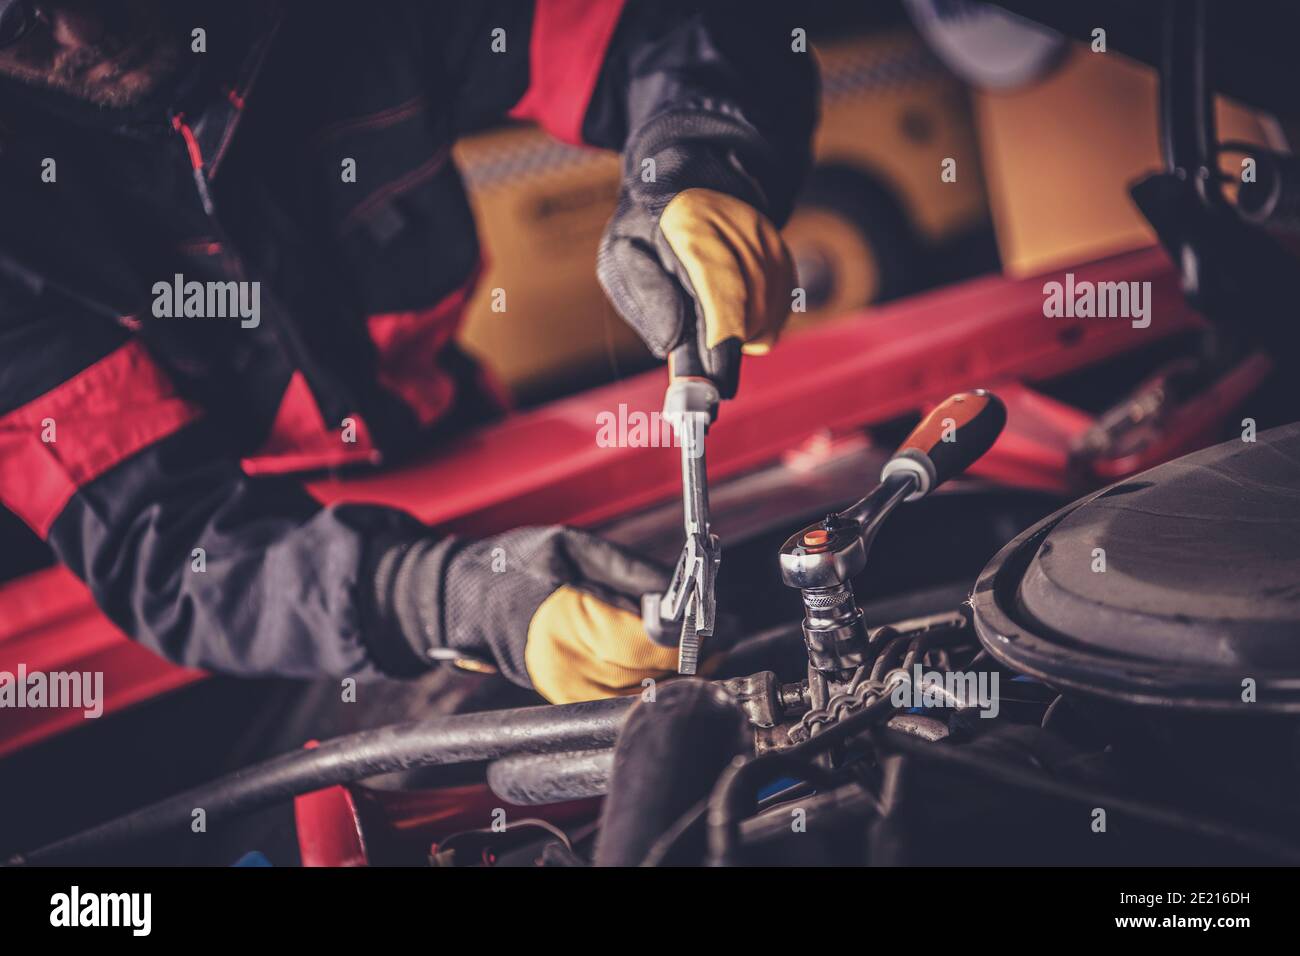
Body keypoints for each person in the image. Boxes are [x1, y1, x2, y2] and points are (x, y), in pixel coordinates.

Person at [0, 1, 816, 703]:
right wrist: (437, 599)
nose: (79, 26)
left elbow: (645, 24)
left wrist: (697, 157)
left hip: (459, 428)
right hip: (282, 590)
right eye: (19, 18)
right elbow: (172, 542)